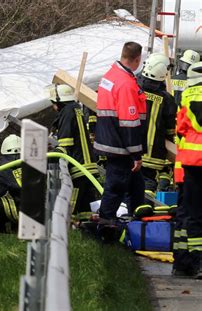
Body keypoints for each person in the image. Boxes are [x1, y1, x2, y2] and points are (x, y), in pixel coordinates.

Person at [94, 42, 147, 230]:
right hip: (121, 146)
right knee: (115, 188)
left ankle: (138, 223)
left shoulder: (110, 76)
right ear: (137, 59)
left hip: (110, 139)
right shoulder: (126, 84)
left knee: (136, 187)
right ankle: (106, 225)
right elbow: (129, 122)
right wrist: (136, 154)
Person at [49, 84, 99, 215]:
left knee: (72, 206)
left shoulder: (67, 112)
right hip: (88, 165)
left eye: (53, 103)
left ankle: (71, 232)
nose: (52, 106)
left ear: (59, 102)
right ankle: (88, 232)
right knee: (86, 206)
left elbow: (65, 143)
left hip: (79, 167)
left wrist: (50, 155)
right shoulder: (76, 109)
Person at [175, 62, 202, 278]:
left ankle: (197, 261)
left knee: (194, 213)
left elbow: (180, 129)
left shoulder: (187, 96)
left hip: (192, 164)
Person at [137, 53, 176, 198]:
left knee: (131, 183)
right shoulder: (168, 100)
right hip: (155, 154)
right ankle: (145, 204)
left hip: (133, 148)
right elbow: (170, 130)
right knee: (148, 183)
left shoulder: (135, 90)